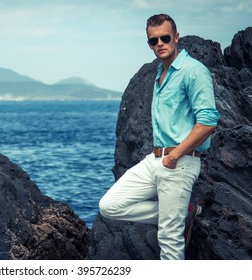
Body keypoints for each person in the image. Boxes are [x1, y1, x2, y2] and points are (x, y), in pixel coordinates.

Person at [99, 14, 220, 260]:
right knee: (109, 206)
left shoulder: (193, 71)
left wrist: (175, 155)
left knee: (169, 239)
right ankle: (181, 214)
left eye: (165, 38)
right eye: (153, 41)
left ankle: (176, 219)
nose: (160, 44)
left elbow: (207, 122)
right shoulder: (160, 74)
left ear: (176, 37)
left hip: (180, 161)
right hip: (154, 160)